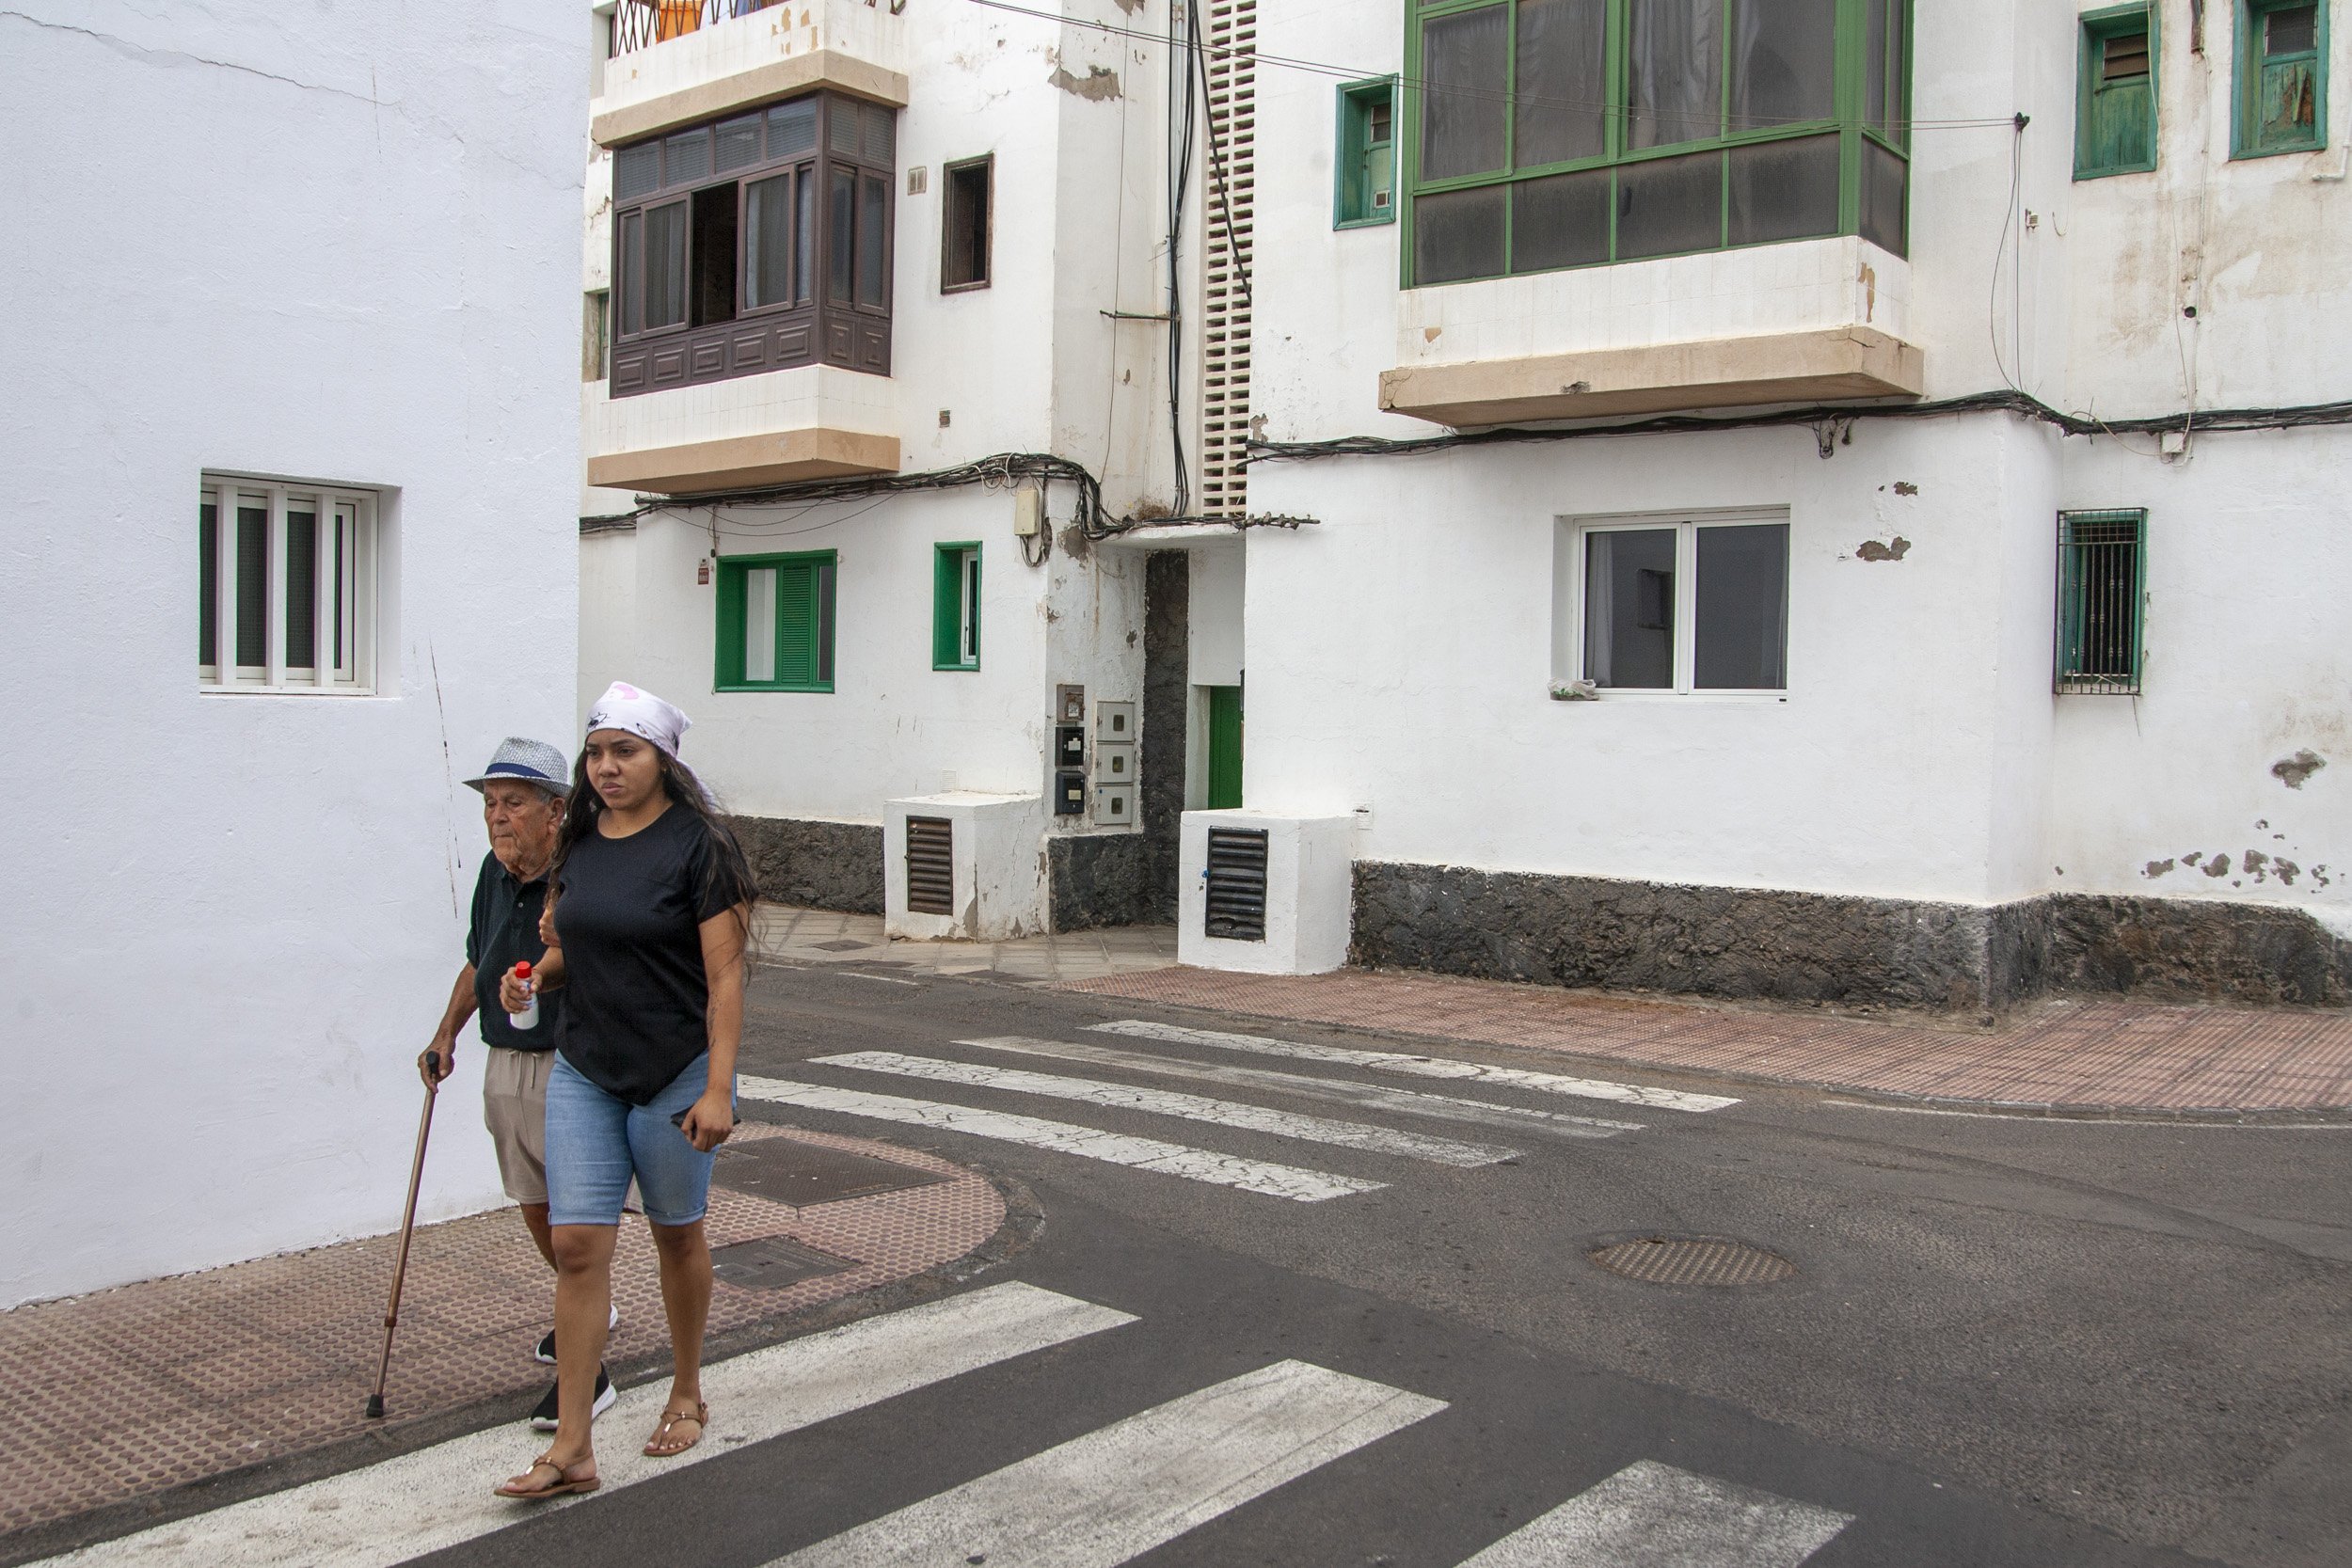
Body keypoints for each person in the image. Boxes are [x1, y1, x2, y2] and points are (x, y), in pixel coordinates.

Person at [494, 683, 755, 1501]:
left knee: (677, 1236)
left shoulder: (700, 848)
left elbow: (725, 976)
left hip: (675, 1073)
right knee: (576, 1245)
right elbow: (580, 946)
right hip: (586, 1069)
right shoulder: (580, 842)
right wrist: (534, 975)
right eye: (596, 752)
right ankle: (573, 1444)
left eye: (625, 752)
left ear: (663, 759)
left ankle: (685, 1387)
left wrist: (718, 1089)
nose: (606, 767)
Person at [421, 738, 618, 1432]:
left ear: (555, 810)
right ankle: (589, 1308)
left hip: (570, 1063)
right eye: (489, 803)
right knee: (534, 1205)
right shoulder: (492, 874)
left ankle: (587, 1370)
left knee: (573, 1227)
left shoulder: (582, 876)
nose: (496, 817)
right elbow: (478, 964)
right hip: (505, 1060)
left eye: (513, 802)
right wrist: (446, 1033)